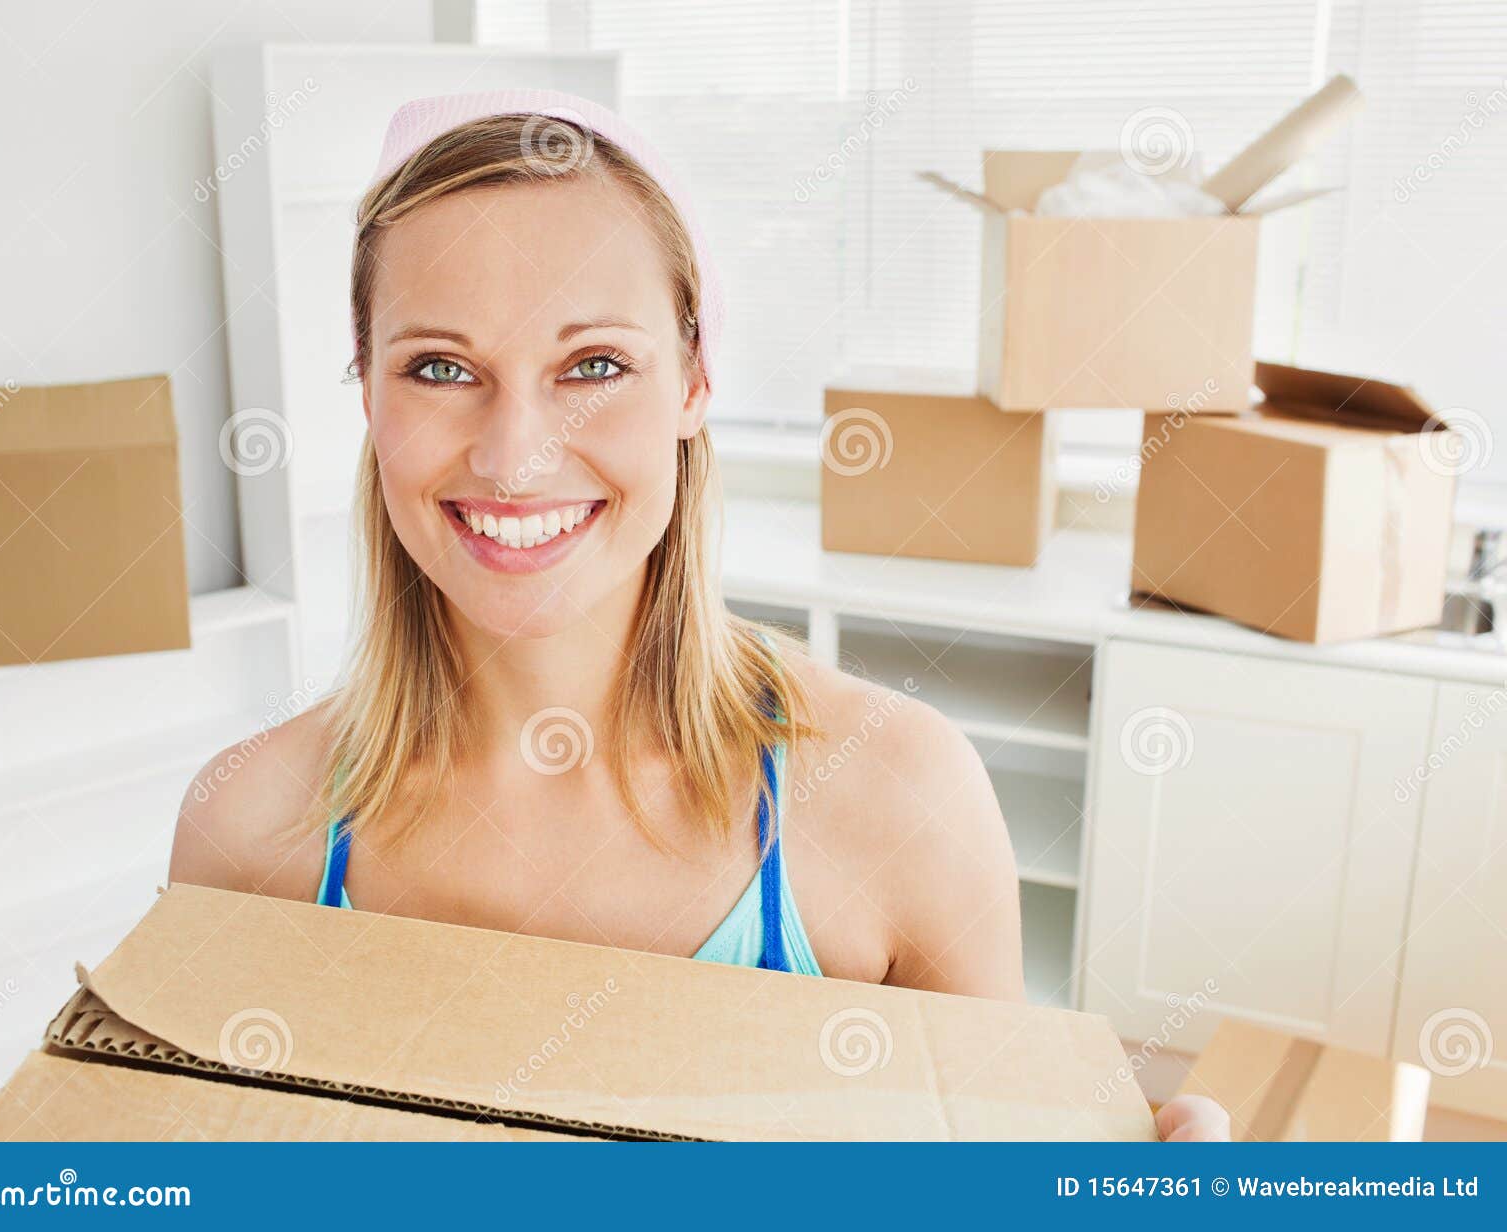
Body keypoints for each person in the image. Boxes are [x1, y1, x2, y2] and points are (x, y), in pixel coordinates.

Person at [170, 90, 1227, 1143]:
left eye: (593, 366)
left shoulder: (900, 796)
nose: (514, 456)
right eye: (440, 368)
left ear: (693, 381)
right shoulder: (246, 829)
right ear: (369, 392)